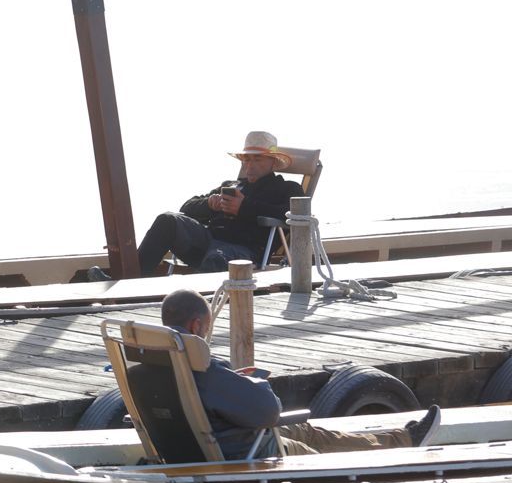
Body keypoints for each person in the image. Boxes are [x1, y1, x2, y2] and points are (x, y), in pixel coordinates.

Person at [158, 289, 439, 458]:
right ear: (196, 326)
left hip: (214, 439)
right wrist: (253, 383)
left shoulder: (156, 360)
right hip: (242, 449)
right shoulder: (200, 367)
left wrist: (235, 384)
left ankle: (402, 440)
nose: (205, 335)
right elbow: (268, 411)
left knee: (305, 430)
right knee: (316, 456)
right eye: (207, 328)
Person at [132, 130, 301, 277]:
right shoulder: (231, 186)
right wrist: (209, 204)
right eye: (247, 159)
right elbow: (186, 208)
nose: (250, 165)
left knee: (217, 257)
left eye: (257, 159)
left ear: (273, 162)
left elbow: (293, 216)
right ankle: (128, 281)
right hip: (208, 241)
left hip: (245, 251)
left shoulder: (287, 188)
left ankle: (196, 307)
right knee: (167, 220)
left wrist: (244, 208)